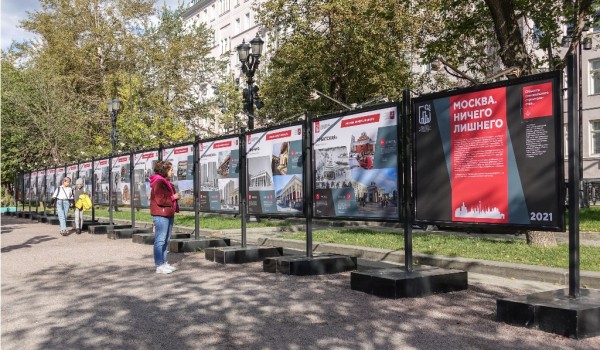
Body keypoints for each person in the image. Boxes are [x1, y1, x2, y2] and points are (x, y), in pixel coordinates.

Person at [149, 160, 181, 274]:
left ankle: (163, 262)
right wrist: (173, 197)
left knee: (166, 240)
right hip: (161, 214)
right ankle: (159, 264)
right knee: (160, 240)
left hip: (168, 213)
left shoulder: (166, 183)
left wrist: (175, 197)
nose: (172, 172)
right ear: (165, 170)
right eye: (171, 170)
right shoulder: (159, 182)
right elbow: (160, 199)